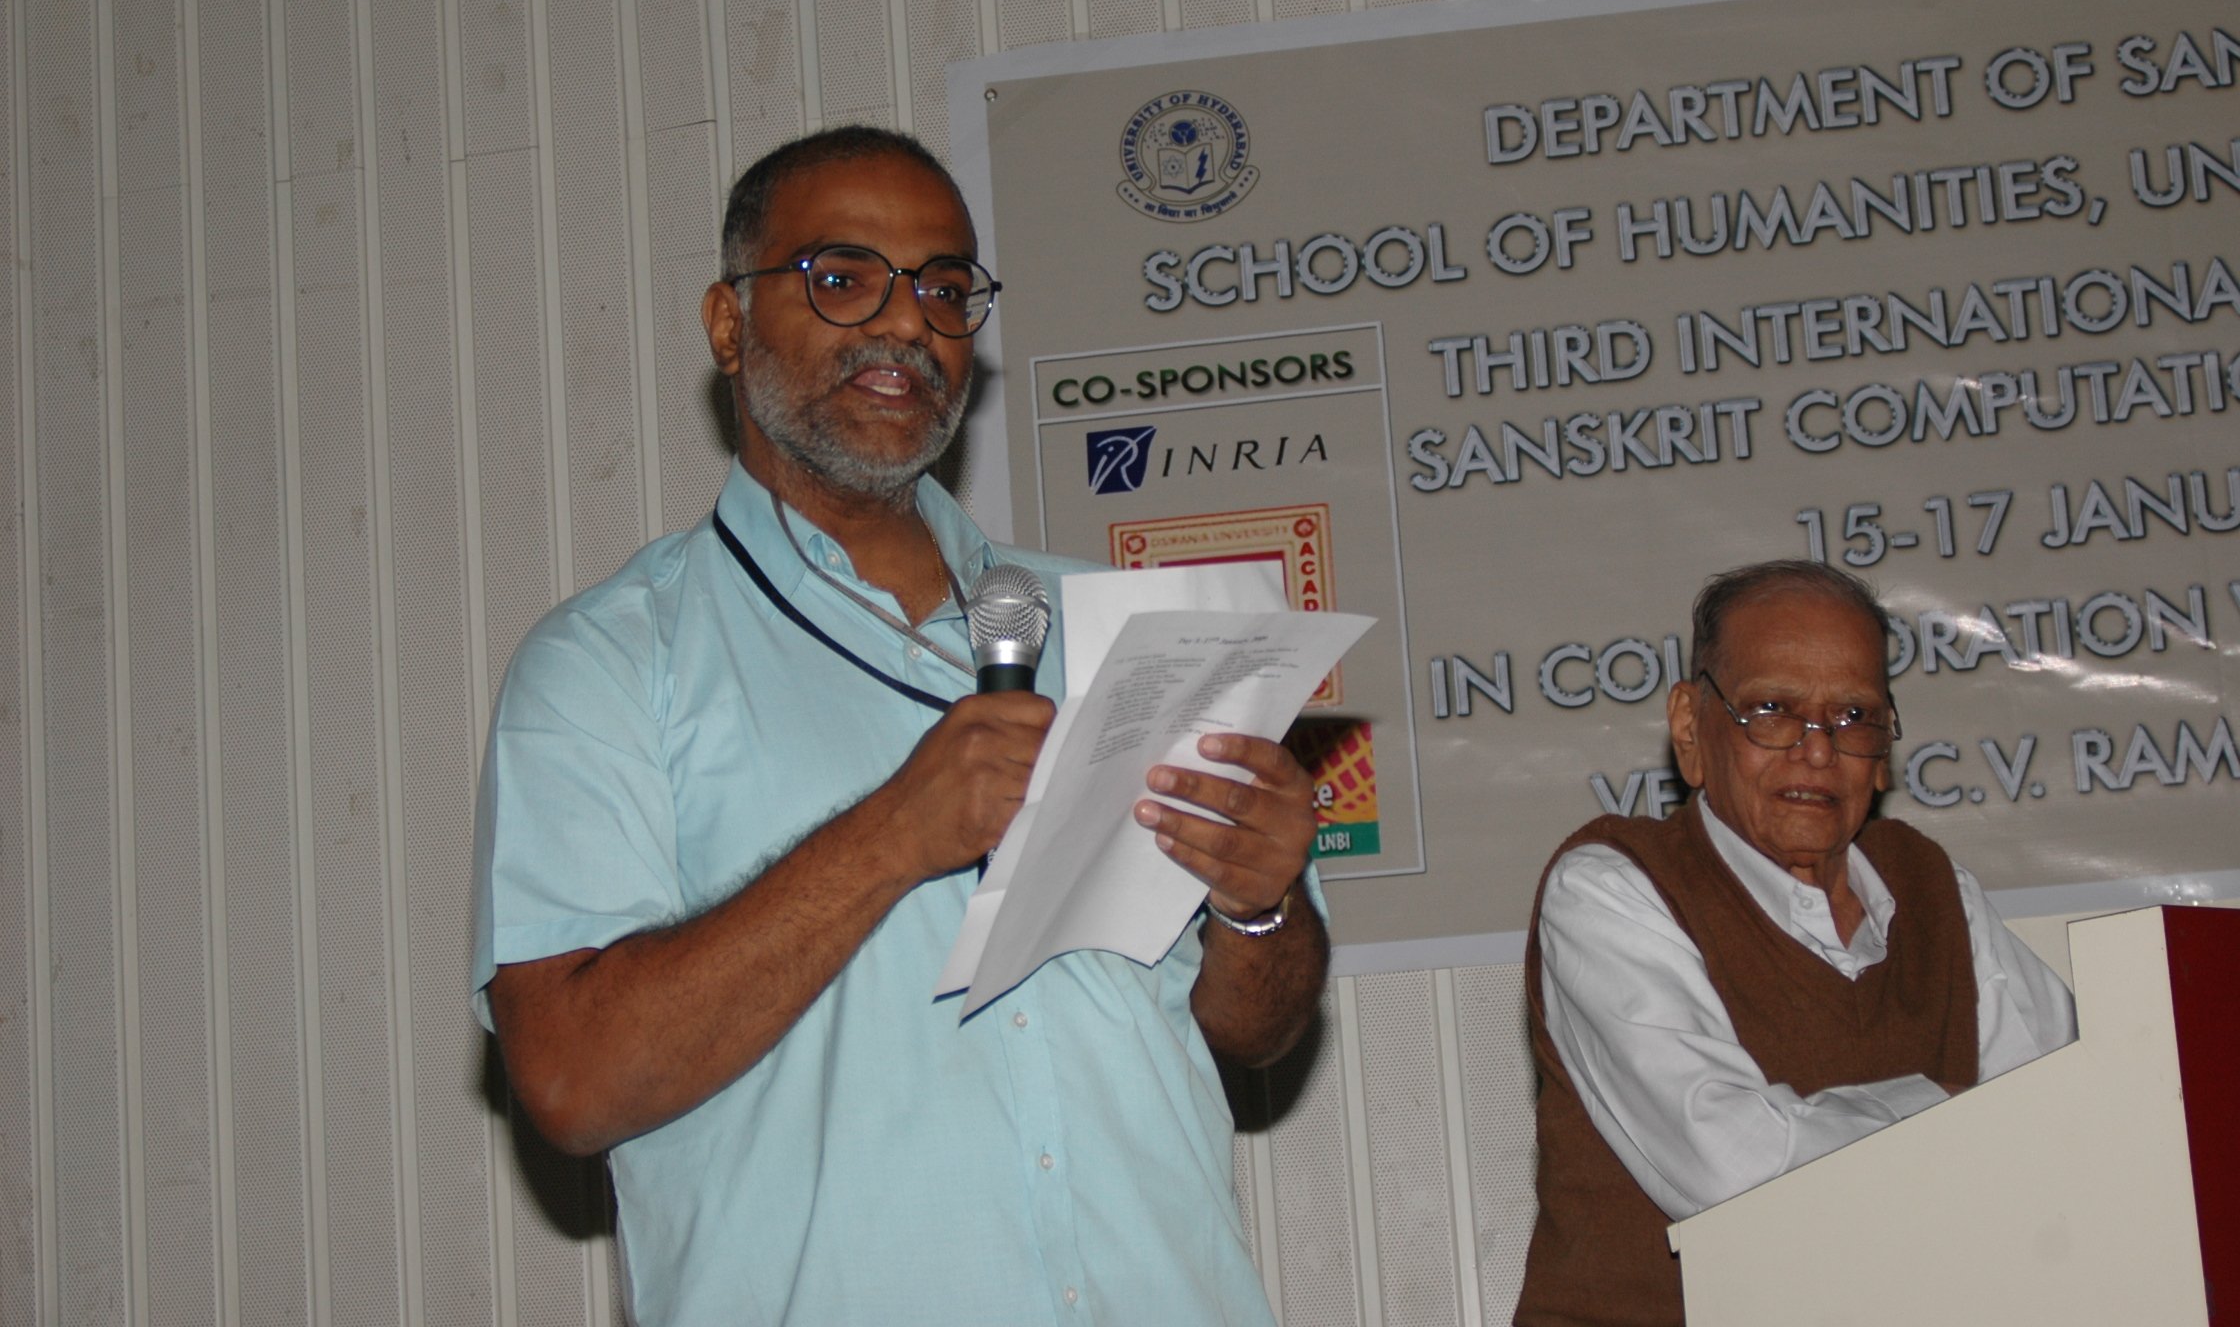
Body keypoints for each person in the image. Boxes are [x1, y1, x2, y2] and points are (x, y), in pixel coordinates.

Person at [472, 126, 1328, 1325]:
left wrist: (1259, 904)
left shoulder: (1125, 629)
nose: (904, 324)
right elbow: (569, 1081)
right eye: (841, 277)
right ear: (727, 324)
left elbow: (1256, 1031)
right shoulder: (611, 662)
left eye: (942, 289)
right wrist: (891, 837)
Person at [1515, 559, 2075, 1327]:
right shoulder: (1610, 886)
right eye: (1773, 710)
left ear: (1883, 753)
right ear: (1690, 728)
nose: (1817, 751)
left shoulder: (1933, 889)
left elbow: (2070, 1115)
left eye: (1854, 716)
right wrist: (1949, 1113)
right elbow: (1735, 1174)